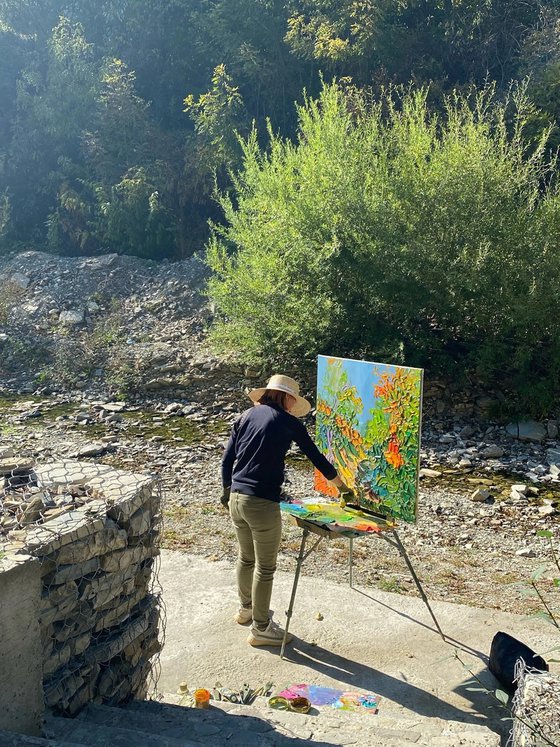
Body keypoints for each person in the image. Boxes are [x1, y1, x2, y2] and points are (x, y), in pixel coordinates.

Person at [221, 374, 353, 647]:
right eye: (294, 400)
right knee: (265, 568)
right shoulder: (289, 423)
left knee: (246, 558)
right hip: (261, 503)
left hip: (236, 498)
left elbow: (226, 461)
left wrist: (226, 493)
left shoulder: (245, 416)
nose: (294, 406)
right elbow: (317, 458)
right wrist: (342, 487)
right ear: (286, 397)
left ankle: (245, 610)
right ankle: (261, 629)